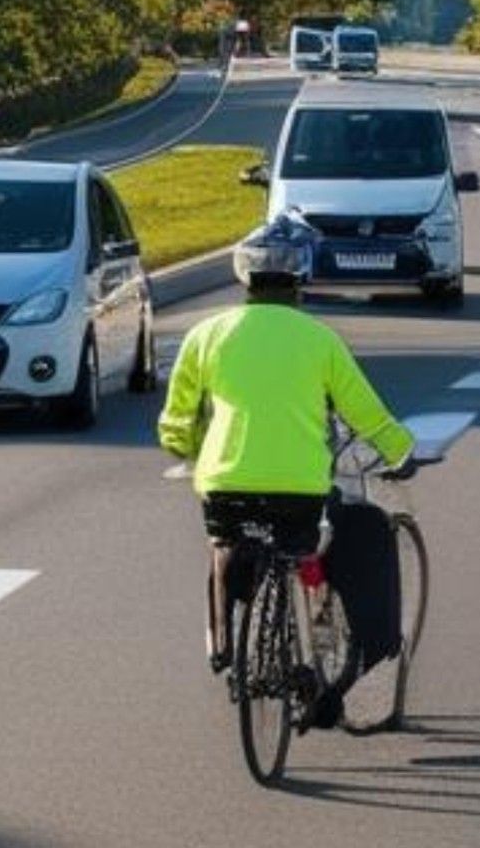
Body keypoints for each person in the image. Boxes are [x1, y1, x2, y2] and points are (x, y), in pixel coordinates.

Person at [158, 213, 417, 677]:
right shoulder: (321, 341)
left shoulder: (206, 335)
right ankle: (319, 638)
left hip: (224, 485)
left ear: (244, 277)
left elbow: (178, 417)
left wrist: (188, 448)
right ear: (300, 277)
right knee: (311, 548)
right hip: (300, 490)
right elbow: (365, 412)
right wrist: (401, 453)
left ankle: (221, 640)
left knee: (225, 542)